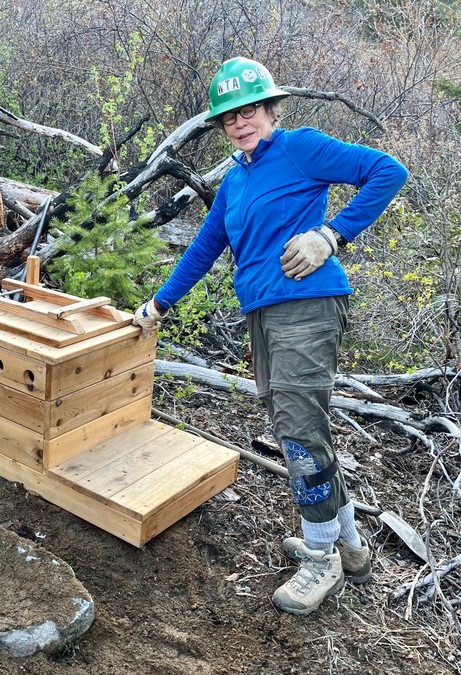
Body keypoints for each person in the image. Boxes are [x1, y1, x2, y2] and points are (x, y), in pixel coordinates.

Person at [133, 57, 408, 616]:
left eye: (251, 110)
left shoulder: (301, 147)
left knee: (300, 432)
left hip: (307, 307)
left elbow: (388, 171)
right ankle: (349, 548)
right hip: (263, 316)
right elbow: (205, 249)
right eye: (230, 117)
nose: (242, 122)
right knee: (297, 428)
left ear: (271, 109)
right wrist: (158, 304)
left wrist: (331, 235)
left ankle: (322, 558)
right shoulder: (234, 179)